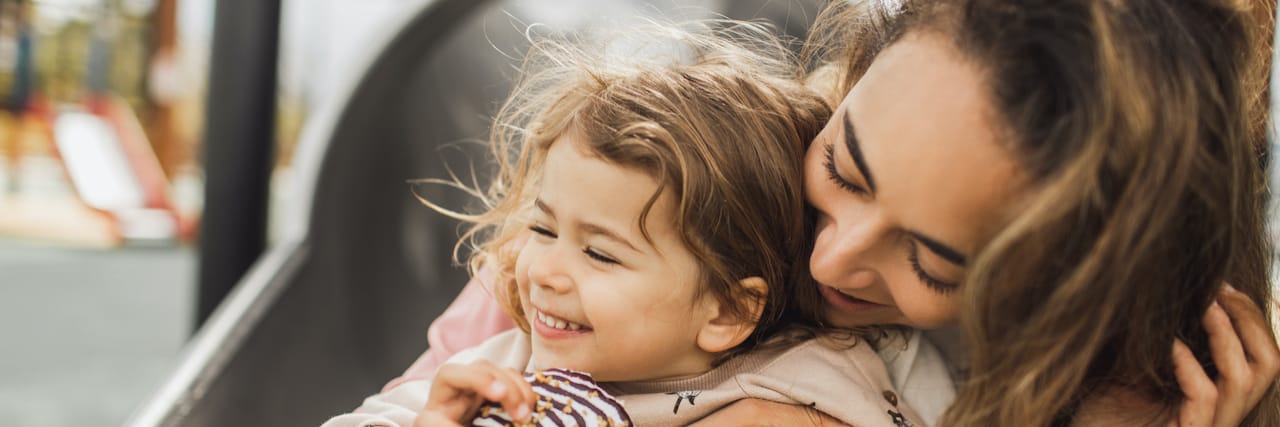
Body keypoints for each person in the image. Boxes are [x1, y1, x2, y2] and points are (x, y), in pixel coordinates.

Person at [389, 0, 1280, 425]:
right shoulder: (645, 207)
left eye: (932, 260)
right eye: (845, 167)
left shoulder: (1104, 396)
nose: (832, 261)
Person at [324, 21, 946, 427]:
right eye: (544, 229)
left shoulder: (804, 389)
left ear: (727, 311)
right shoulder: (512, 355)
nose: (544, 270)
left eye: (602, 254)